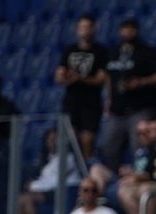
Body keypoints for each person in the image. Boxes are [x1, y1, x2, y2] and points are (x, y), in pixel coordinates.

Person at [100, 18, 156, 167]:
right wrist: (109, 98)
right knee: (108, 145)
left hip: (141, 108)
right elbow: (107, 76)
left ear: (136, 31)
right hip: (117, 110)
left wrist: (142, 82)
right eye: (125, 29)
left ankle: (140, 174)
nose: (128, 32)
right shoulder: (113, 52)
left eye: (131, 29)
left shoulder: (147, 51)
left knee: (139, 146)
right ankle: (115, 175)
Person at [56, 13, 109, 162]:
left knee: (88, 140)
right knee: (70, 138)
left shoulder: (101, 51)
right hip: (71, 101)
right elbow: (59, 76)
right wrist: (65, 77)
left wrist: (79, 78)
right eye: (82, 27)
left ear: (94, 29)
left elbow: (101, 79)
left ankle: (88, 168)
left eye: (87, 27)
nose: (84, 30)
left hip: (91, 102)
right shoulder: (69, 50)